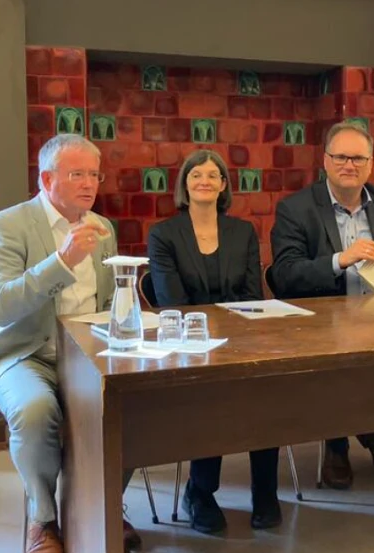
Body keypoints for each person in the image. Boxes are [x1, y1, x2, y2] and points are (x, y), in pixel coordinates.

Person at [0, 135, 142, 553]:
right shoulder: (5, 225)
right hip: (23, 353)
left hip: (91, 353)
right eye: (76, 173)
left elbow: (110, 299)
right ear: (46, 179)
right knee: (35, 409)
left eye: (94, 174)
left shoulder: (103, 228)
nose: (89, 183)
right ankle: (43, 520)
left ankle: (104, 504)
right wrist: (61, 261)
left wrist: (127, 316)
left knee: (136, 404)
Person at [270, 121, 374, 490]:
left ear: (371, 164)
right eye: (340, 156)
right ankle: (336, 445)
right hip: (323, 326)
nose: (349, 165)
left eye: (358, 158)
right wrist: (340, 259)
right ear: (325, 161)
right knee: (337, 369)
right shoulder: (296, 208)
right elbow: (285, 275)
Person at [147, 149, 281, 534]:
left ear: (224, 185)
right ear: (184, 184)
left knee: (267, 385)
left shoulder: (242, 232)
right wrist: (217, 319)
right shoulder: (164, 235)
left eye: (213, 174)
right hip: (189, 346)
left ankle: (266, 491)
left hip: (241, 339)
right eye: (195, 174)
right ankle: (200, 493)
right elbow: (172, 300)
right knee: (212, 394)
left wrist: (228, 323)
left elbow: (253, 295)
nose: (204, 180)